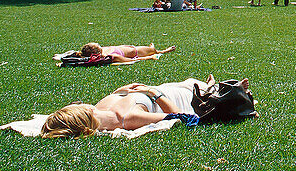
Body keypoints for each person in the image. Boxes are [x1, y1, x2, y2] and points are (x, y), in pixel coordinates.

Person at [39, 77, 250, 138]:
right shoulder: (128, 119)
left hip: (150, 91)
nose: (79, 102)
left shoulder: (101, 108)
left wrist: (124, 90)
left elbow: (117, 96)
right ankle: (219, 88)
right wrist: (152, 93)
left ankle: (211, 85)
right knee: (198, 87)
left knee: (192, 82)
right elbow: (180, 115)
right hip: (166, 96)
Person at [80, 42, 175, 64]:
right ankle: (163, 51)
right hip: (137, 52)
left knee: (151, 50)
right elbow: (131, 60)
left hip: (129, 48)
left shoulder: (102, 51)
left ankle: (154, 49)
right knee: (153, 50)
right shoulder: (111, 56)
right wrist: (149, 58)